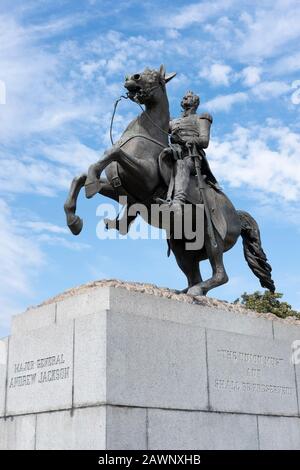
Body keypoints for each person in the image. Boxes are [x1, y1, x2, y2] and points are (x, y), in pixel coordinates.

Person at [166, 90, 219, 205]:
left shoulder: (201, 118)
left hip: (191, 156)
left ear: (195, 102)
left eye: (188, 97)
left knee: (182, 164)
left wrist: (186, 140)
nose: (184, 98)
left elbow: (204, 141)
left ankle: (178, 200)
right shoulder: (173, 121)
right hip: (173, 152)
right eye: (184, 97)